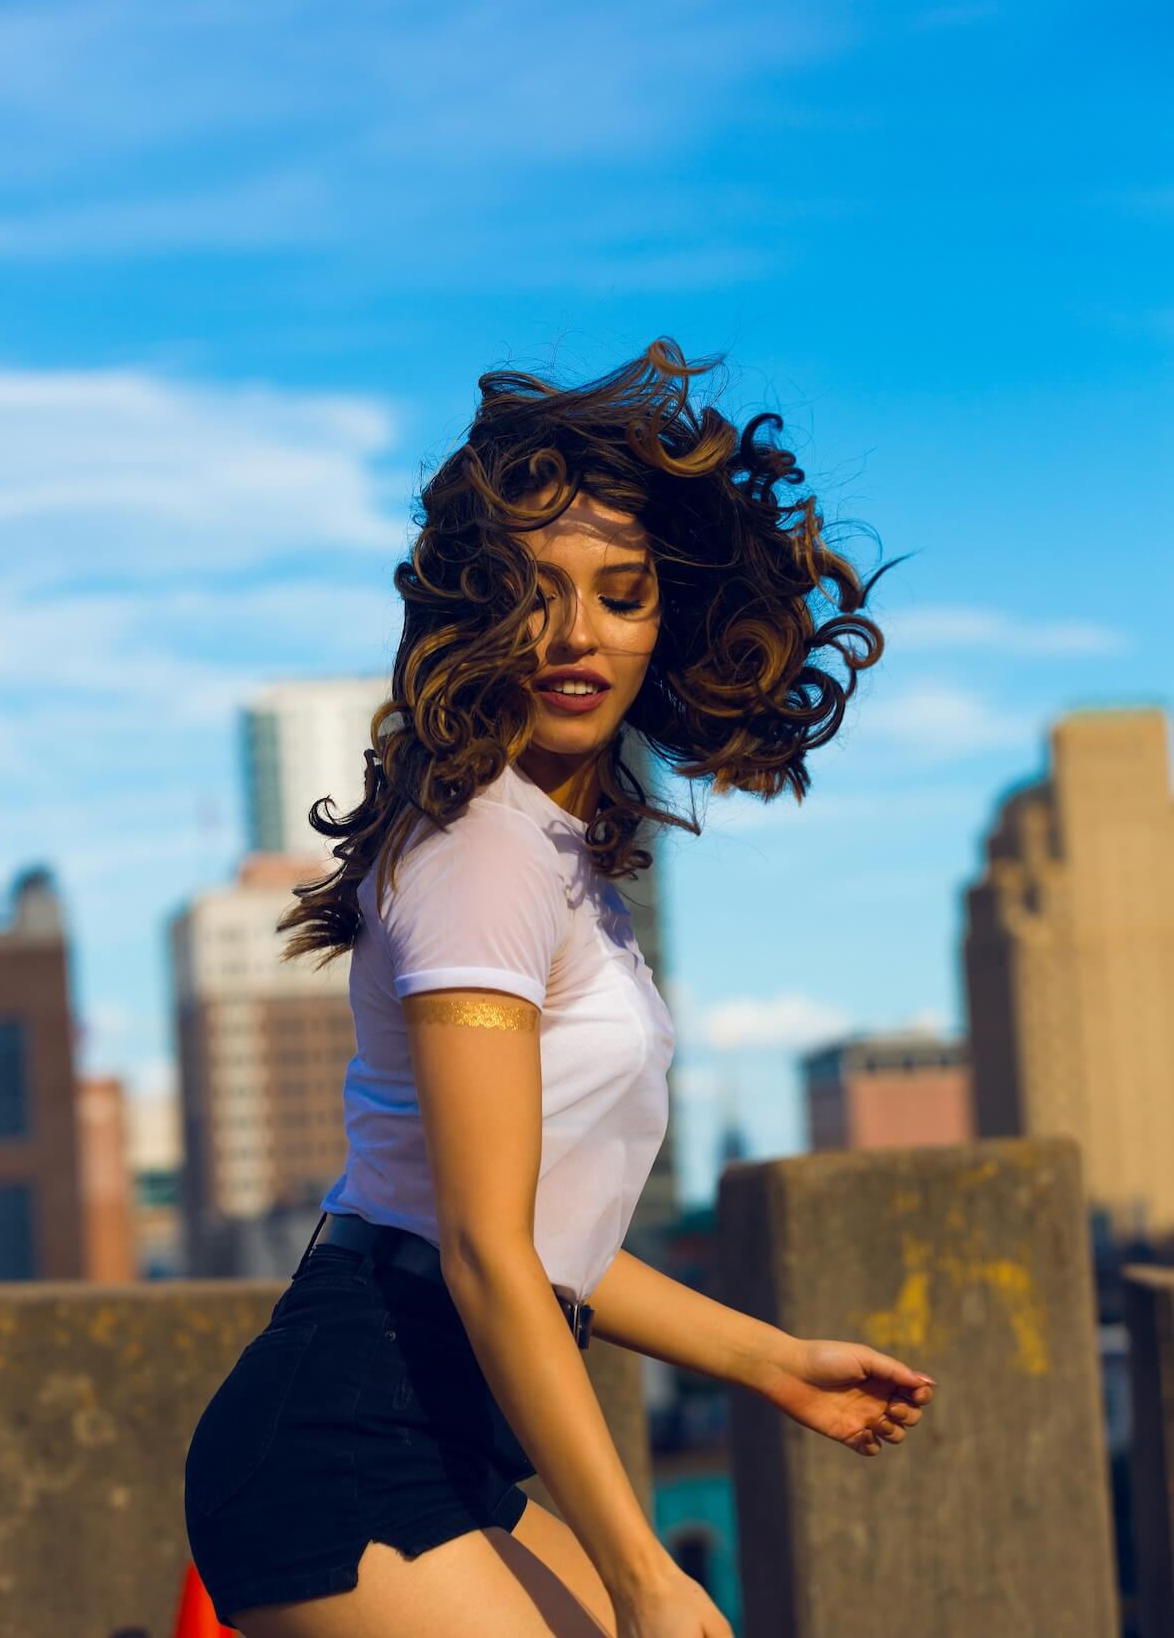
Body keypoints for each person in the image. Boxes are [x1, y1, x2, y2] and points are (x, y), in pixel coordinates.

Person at [183, 339, 935, 1638]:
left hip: (442, 1436)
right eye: (535, 596)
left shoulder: (551, 852)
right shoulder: (481, 847)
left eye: (622, 595)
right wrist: (645, 1571)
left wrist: (772, 1362)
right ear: (478, 616)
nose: (579, 634)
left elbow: (546, 1241)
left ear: (669, 620)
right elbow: (483, 1250)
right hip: (341, 1445)